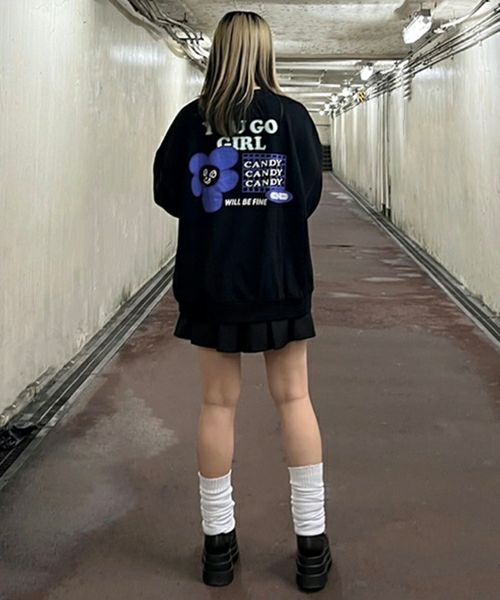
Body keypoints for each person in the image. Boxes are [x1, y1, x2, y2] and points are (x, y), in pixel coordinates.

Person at [153, 10, 332, 592]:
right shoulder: (294, 117)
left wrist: (219, 214)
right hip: (279, 279)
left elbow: (169, 191)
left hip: (213, 283)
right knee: (295, 399)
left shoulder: (193, 120)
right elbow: (307, 193)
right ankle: (311, 548)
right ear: (265, 53)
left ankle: (218, 549)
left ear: (219, 53)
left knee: (217, 406)